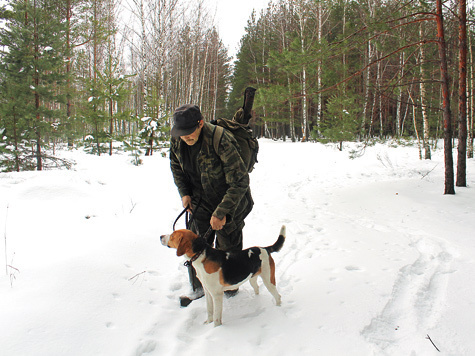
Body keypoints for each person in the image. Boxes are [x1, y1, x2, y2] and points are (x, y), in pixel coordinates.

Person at [169, 104, 253, 304]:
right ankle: (200, 287)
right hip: (199, 202)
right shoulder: (177, 140)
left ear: (200, 123)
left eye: (190, 133)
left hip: (229, 202)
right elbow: (176, 169)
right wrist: (185, 194)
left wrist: (222, 212)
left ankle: (230, 290)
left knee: (227, 249)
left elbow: (240, 181)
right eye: (182, 134)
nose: (186, 138)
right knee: (193, 244)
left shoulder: (221, 139)